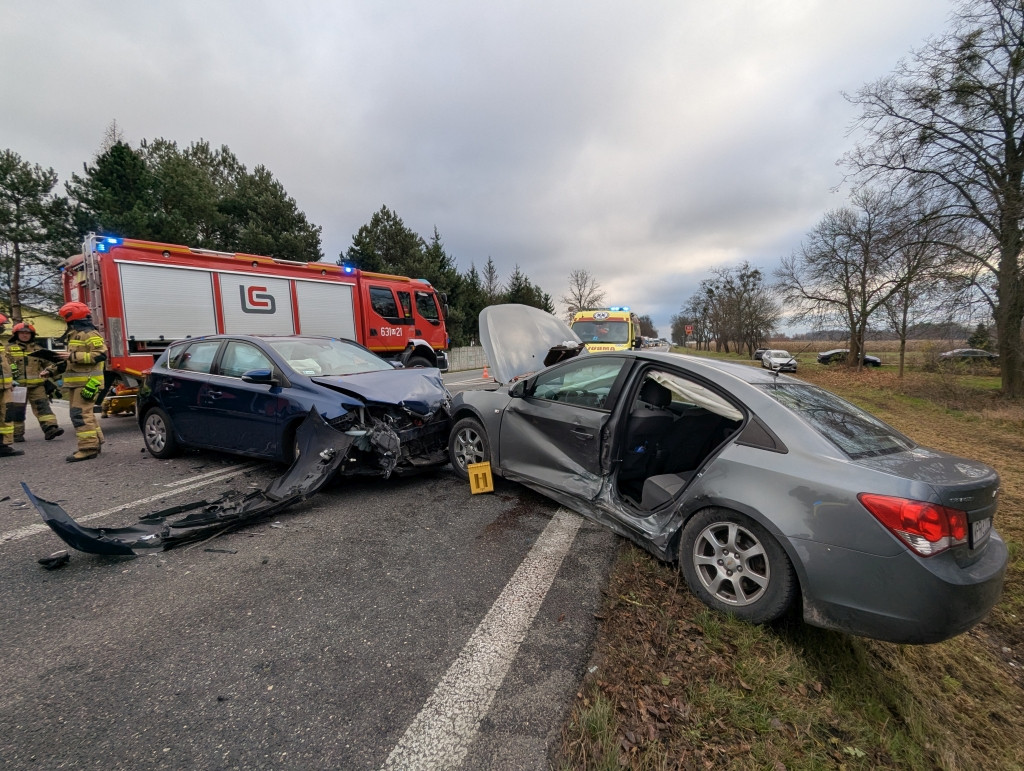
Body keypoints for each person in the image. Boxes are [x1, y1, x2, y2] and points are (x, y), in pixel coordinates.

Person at [55, 301, 107, 462]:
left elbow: (101, 354)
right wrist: (50, 370)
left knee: (80, 414)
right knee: (87, 414)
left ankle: (88, 448)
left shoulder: (90, 334)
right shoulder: (75, 334)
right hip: (78, 383)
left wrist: (73, 356)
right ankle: (95, 442)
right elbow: (70, 361)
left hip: (88, 382)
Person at [5, 322, 65, 442]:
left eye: (27, 333)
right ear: (16, 334)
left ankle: (50, 429)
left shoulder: (39, 350)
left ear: (32, 335)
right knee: (17, 411)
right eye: (22, 333)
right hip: (17, 387)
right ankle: (17, 435)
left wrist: (57, 379)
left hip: (37, 386)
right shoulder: (9, 350)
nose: (25, 335)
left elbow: (51, 365)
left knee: (43, 408)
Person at [0, 313, 25, 457]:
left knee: (5, 416)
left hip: (4, 387)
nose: (2, 328)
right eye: (1, 326)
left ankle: (3, 445)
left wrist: (9, 382)